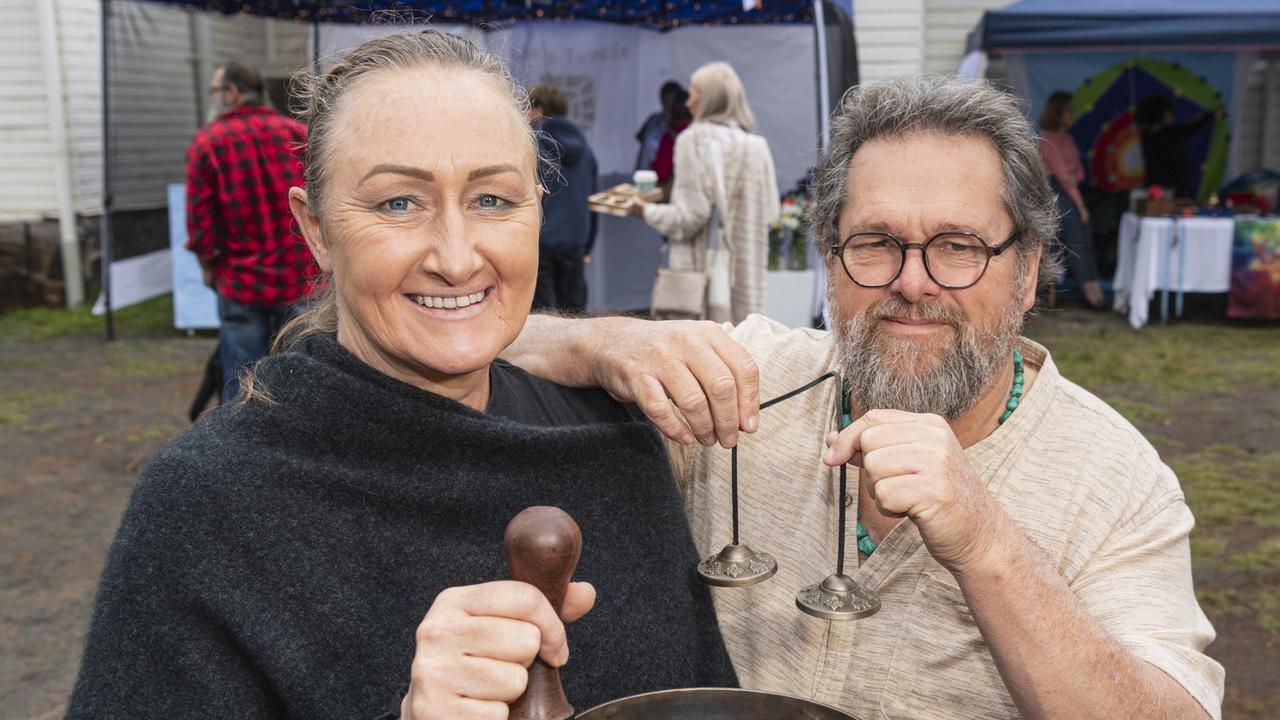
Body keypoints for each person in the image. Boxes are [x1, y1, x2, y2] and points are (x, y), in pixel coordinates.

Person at [66, 30, 735, 720]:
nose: (455, 257)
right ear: (317, 229)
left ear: (538, 209)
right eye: (398, 203)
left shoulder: (611, 442)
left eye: (492, 201)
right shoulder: (210, 505)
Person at [506, 77, 1223, 719]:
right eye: (876, 243)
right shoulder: (747, 384)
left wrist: (984, 540)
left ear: (1028, 271)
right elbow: (476, 348)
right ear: (830, 261)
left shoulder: (1115, 480)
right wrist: (600, 344)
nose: (913, 282)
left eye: (958, 246)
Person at [186, 59, 316, 401]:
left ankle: (239, 450)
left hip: (241, 282)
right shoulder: (297, 135)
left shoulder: (208, 143)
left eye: (215, 90)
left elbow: (201, 225)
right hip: (299, 278)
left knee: (242, 383)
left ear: (230, 93)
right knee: (304, 377)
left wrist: (208, 269)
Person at [632, 62, 779, 323]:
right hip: (746, 281)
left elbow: (690, 218)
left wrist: (647, 210)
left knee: (697, 354)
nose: (688, 102)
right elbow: (770, 212)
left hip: (702, 283)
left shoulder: (693, 140)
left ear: (707, 98)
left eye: (693, 93)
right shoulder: (757, 147)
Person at [528, 83, 597, 312]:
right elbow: (593, 199)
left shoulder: (532, 145)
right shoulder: (586, 149)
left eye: (528, 108)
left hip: (540, 241)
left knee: (541, 317)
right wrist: (587, 244)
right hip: (574, 242)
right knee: (575, 315)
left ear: (540, 108)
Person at [1037, 90, 1105, 308]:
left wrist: (1073, 181)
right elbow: (1065, 177)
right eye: (1068, 111)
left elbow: (1080, 173)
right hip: (1058, 196)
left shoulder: (1067, 137)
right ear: (1057, 113)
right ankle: (1091, 296)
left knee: (1085, 241)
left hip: (1071, 193)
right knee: (1075, 242)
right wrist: (1080, 204)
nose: (1072, 115)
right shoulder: (1047, 139)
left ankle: (1097, 292)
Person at [1136, 94, 1220, 199]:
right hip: (1175, 191)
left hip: (1156, 189)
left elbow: (1186, 129)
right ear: (1161, 114)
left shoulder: (1147, 137)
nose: (1172, 116)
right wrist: (1210, 115)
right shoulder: (1168, 134)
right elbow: (1190, 129)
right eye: (1169, 113)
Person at [634, 80, 684, 173]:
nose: (666, 106)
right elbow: (640, 139)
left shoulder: (681, 127)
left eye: (670, 102)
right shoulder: (653, 120)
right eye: (664, 101)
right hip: (644, 173)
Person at [650, 86, 691, 189]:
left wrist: (653, 163)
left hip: (676, 198)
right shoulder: (703, 137)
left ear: (671, 113)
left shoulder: (670, 139)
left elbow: (661, 174)